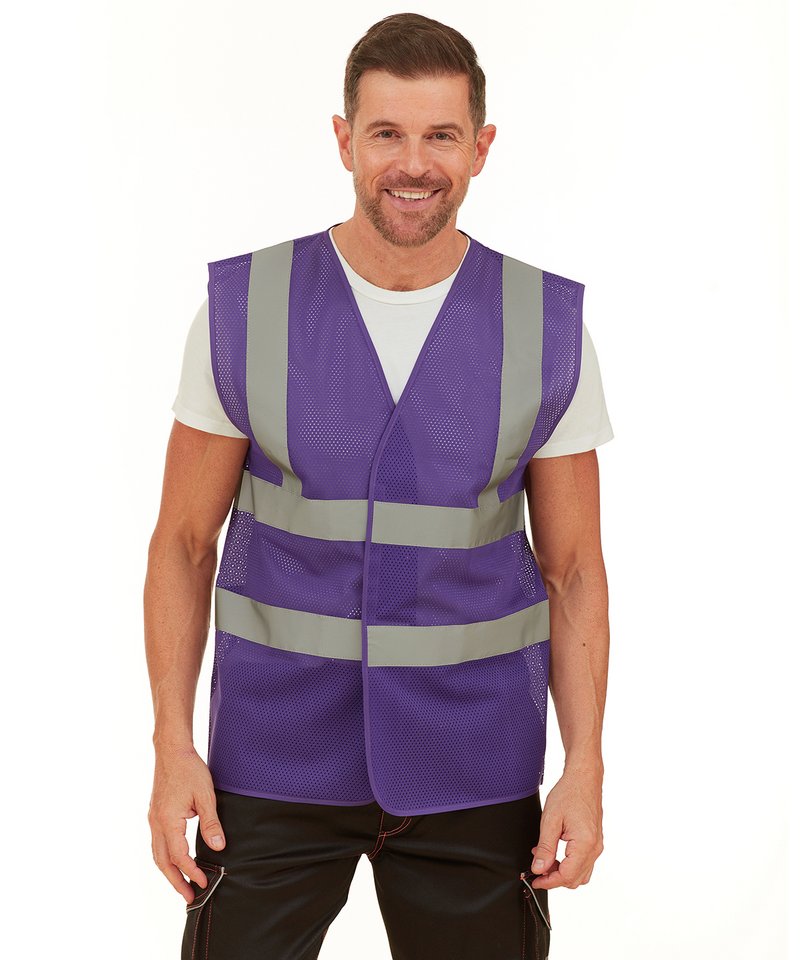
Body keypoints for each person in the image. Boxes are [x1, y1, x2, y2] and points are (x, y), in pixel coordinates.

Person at [144, 12, 612, 960]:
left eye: (441, 135)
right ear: (344, 139)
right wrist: (170, 747)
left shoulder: (545, 323)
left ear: (480, 147)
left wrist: (585, 767)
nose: (413, 163)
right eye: (387, 133)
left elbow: (574, 570)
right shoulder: (246, 308)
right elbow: (183, 545)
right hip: (273, 757)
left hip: (475, 762)